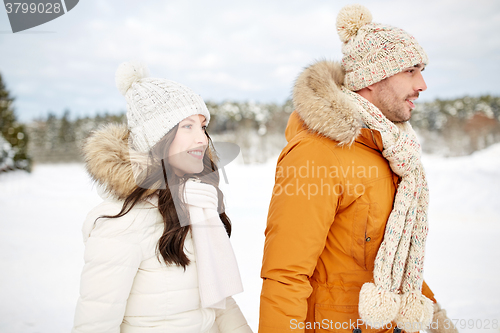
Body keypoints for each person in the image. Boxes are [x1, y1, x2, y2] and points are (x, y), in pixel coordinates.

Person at [259, 5, 457, 333]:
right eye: (410, 70)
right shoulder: (316, 153)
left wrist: (435, 317)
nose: (422, 84)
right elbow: (285, 274)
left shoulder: (391, 150)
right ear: (371, 78)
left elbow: (391, 256)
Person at [72, 61, 252, 333]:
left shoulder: (197, 204)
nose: (203, 139)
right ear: (158, 138)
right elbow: (95, 324)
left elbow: (220, 303)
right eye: (187, 126)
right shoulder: (122, 224)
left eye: (203, 127)